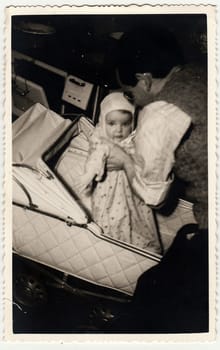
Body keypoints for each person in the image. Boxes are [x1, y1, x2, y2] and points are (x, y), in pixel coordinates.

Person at [79, 92, 163, 253]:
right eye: (112, 124)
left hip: (132, 187)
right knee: (114, 217)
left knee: (137, 217)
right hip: (107, 190)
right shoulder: (100, 139)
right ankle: (113, 246)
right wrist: (89, 174)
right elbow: (95, 158)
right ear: (103, 121)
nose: (118, 130)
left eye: (125, 124)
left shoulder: (136, 139)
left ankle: (139, 247)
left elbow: (144, 162)